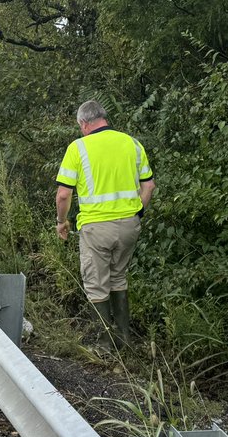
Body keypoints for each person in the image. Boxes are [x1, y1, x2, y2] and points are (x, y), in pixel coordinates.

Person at [55, 100, 155, 347]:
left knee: (96, 285)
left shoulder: (78, 148)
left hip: (96, 227)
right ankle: (125, 339)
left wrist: (61, 222)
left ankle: (105, 346)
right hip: (129, 226)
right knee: (118, 278)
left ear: (84, 123)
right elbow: (149, 185)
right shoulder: (131, 143)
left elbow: (63, 195)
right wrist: (137, 213)